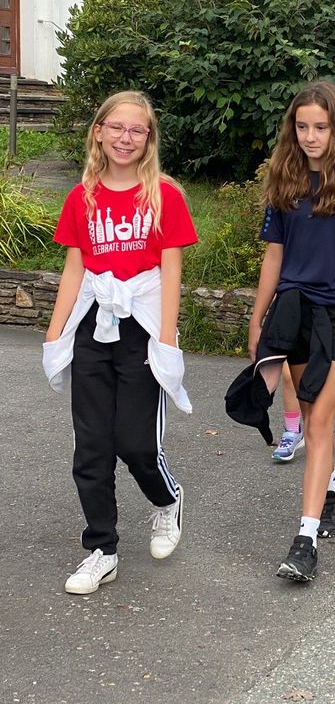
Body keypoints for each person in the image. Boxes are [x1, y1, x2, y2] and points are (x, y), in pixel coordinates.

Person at [42, 91, 198, 595]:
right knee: (91, 447)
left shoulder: (164, 197)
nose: (125, 138)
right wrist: (55, 326)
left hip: (141, 327)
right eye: (117, 128)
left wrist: (167, 336)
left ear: (148, 138)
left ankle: (167, 500)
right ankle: (101, 549)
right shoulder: (81, 197)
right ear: (99, 132)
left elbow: (171, 271)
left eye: (137, 130)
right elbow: (75, 267)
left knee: (134, 441)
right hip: (93, 325)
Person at [247, 80, 335, 582]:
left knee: (320, 421)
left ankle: (304, 540)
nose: (310, 136)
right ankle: (332, 490)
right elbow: (274, 255)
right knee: (307, 414)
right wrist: (257, 316)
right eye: (302, 126)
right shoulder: (283, 181)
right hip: (293, 312)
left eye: (320, 127)